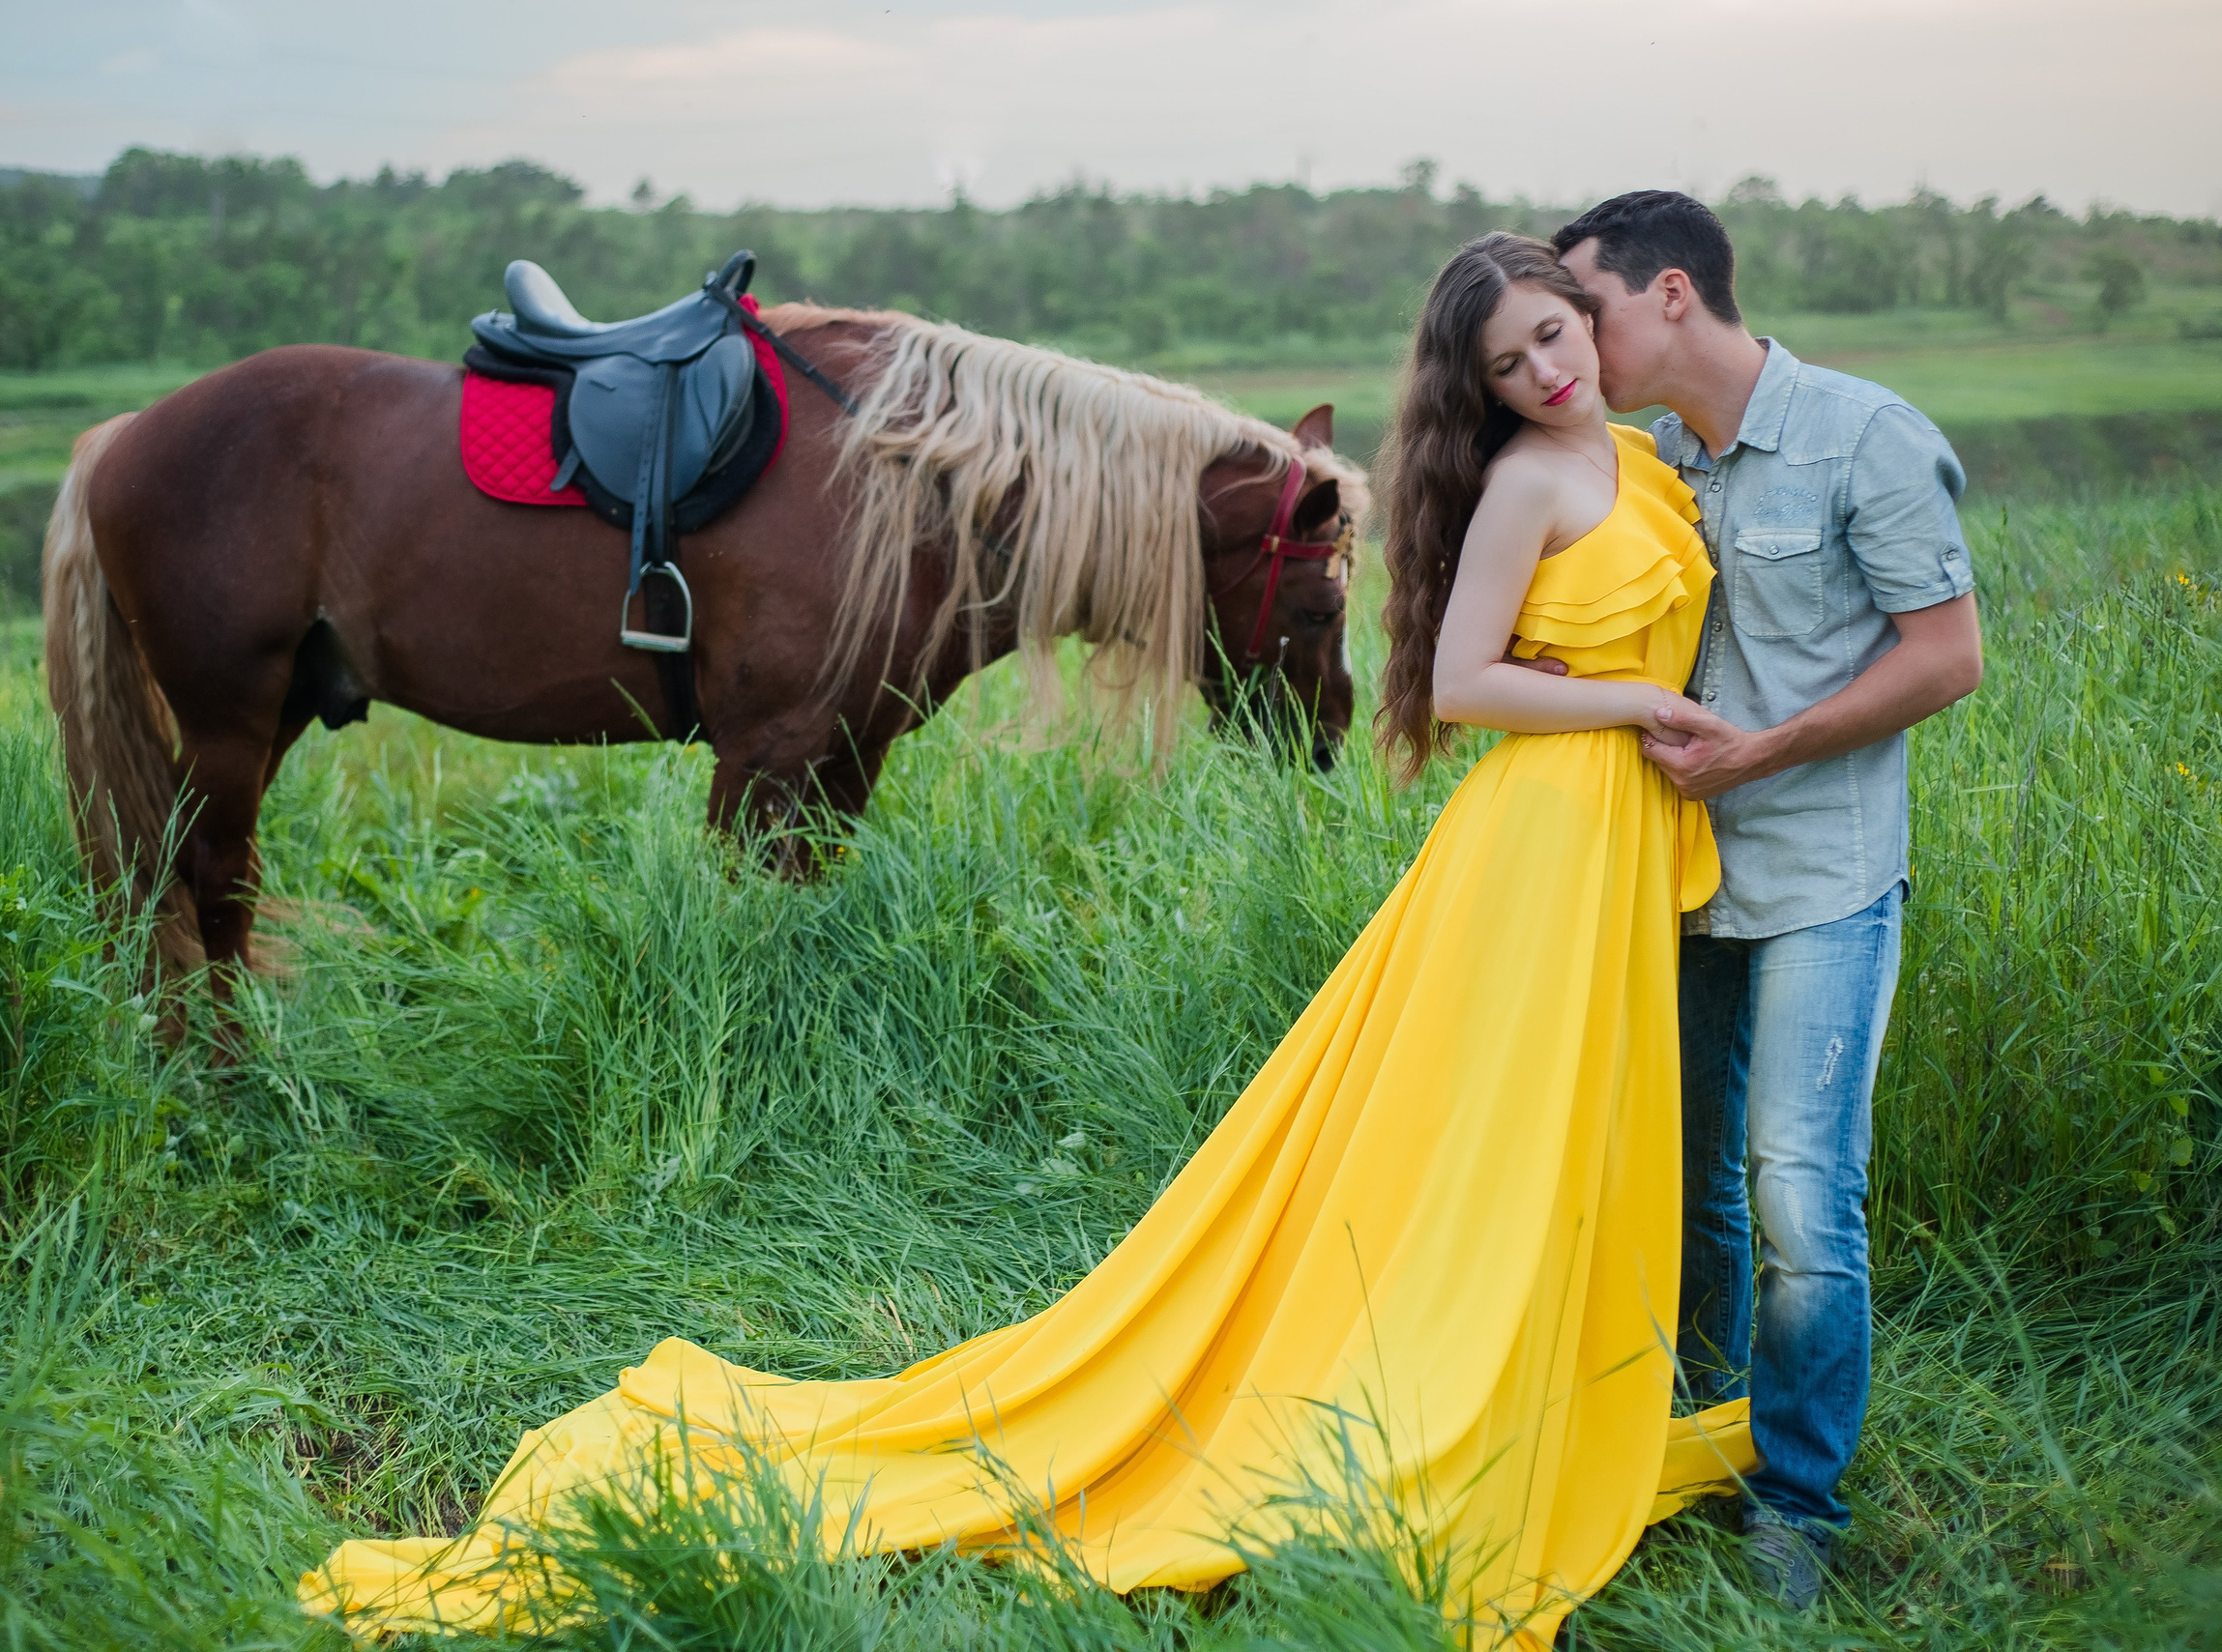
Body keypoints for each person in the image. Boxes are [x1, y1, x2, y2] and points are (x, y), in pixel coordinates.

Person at [302, 234, 1751, 1649]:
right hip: (1558, 826)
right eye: (1513, 357)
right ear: (1485, 380)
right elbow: (1472, 675)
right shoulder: (1528, 481)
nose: (1549, 367)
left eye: (1557, 335)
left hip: (1620, 843)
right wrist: (1629, 702)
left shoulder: (1642, 459)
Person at [1544, 190, 1984, 1609]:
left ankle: (1796, 1501)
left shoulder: (1870, 437)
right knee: (1687, 1186)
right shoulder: (1643, 460)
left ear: (1671, 295)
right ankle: (1697, 1439)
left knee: (1802, 1194)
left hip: (1823, 883)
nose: (1574, 340)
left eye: (1587, 308)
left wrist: (1765, 748)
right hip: (1677, 880)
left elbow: (1946, 658)